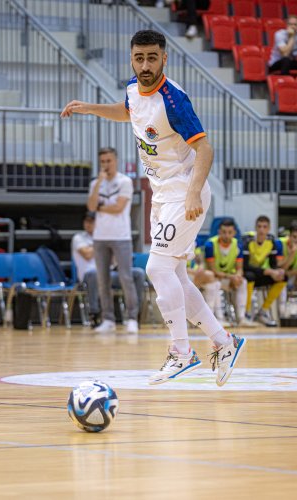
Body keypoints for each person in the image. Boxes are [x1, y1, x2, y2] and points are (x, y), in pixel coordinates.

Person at [61, 29, 245, 388]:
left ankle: (182, 351)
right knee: (175, 276)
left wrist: (193, 194)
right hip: (161, 195)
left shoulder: (173, 100)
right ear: (132, 59)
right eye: (139, 58)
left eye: (152, 58)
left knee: (157, 268)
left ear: (164, 58)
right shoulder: (133, 87)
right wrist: (90, 108)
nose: (145, 65)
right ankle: (225, 342)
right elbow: (127, 112)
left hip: (184, 193)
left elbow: (205, 149)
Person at [85, 146, 141, 334]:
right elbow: (91, 207)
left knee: (126, 278)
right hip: (100, 237)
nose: (106, 164)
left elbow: (118, 208)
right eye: (102, 162)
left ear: (115, 161)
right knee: (102, 280)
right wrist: (100, 183)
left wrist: (100, 206)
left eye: (109, 161)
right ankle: (108, 319)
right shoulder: (95, 184)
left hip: (121, 237)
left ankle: (132, 318)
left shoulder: (125, 182)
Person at [71, 211, 145, 328]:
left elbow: (115, 260)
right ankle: (95, 315)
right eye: (86, 221)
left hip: (110, 273)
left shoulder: (109, 239)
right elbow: (87, 254)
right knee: (95, 274)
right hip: (88, 275)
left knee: (138, 273)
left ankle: (135, 315)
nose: (88, 224)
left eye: (92, 221)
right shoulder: (79, 238)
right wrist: (104, 244)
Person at [204, 218, 256, 327]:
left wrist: (237, 276)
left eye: (229, 232)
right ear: (219, 232)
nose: (226, 235)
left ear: (234, 233)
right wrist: (232, 276)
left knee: (243, 282)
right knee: (216, 284)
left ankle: (241, 318)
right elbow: (213, 270)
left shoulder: (238, 245)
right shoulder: (210, 245)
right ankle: (218, 319)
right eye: (223, 232)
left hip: (227, 279)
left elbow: (239, 268)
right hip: (212, 279)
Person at [242, 215, 286, 327]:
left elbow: (273, 264)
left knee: (283, 278)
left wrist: (277, 271)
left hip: (261, 274)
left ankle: (263, 311)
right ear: (255, 228)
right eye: (259, 226)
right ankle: (246, 313)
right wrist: (267, 271)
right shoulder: (248, 240)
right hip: (248, 274)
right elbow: (245, 266)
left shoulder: (271, 241)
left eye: (264, 227)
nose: (262, 229)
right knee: (249, 275)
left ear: (269, 228)